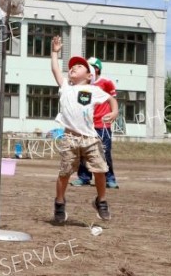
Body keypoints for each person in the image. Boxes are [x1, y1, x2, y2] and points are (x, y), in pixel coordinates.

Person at [50, 36, 119, 224]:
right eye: (72, 66)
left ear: (89, 76)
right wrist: (55, 52)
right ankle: (59, 202)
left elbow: (111, 99)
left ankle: (101, 200)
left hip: (89, 138)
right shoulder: (65, 87)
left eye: (79, 66)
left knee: (100, 169)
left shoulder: (93, 90)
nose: (73, 68)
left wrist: (114, 112)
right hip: (70, 138)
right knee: (64, 173)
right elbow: (56, 69)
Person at [71, 57, 119, 189]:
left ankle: (109, 178)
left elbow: (112, 100)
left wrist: (114, 113)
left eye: (88, 66)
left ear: (96, 69)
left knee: (105, 152)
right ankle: (84, 177)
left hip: (102, 124)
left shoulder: (106, 83)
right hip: (85, 124)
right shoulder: (83, 84)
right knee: (83, 152)